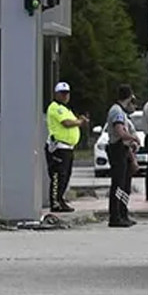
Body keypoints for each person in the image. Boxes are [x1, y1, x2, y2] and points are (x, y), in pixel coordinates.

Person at [45, 81, 88, 214]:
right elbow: (67, 123)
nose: (65, 96)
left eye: (67, 93)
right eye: (62, 93)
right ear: (56, 94)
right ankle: (55, 202)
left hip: (68, 148)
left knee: (66, 175)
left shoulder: (66, 109)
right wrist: (80, 122)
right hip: (58, 147)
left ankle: (61, 199)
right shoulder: (55, 107)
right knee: (58, 175)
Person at [106, 84, 141, 228]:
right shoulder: (117, 111)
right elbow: (120, 131)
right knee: (119, 184)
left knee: (125, 184)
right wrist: (134, 138)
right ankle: (115, 216)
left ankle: (123, 212)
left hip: (124, 150)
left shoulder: (122, 112)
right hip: (117, 149)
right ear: (129, 96)